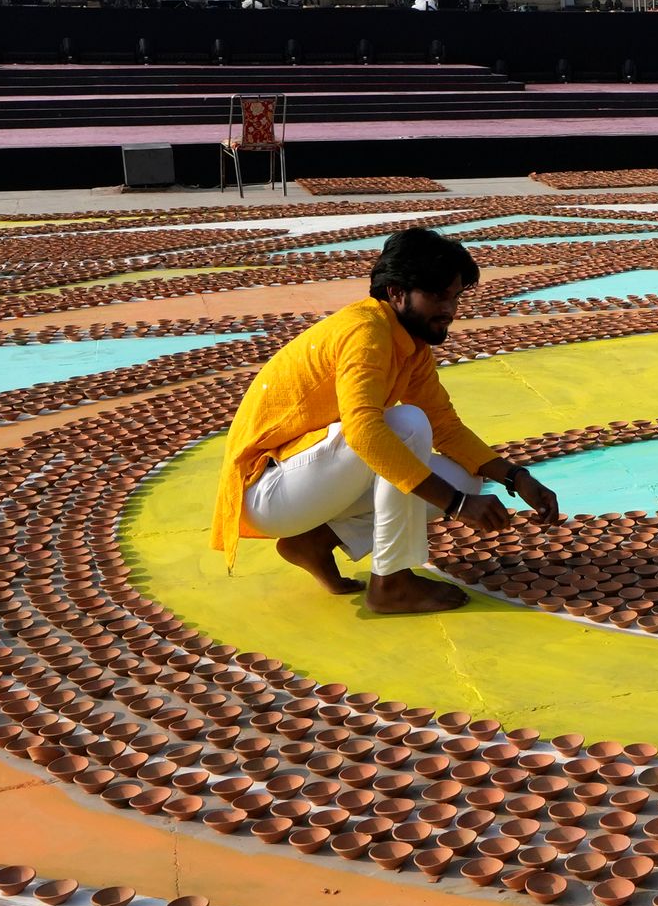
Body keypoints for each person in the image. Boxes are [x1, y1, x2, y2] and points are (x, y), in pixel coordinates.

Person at [210, 227, 564, 615]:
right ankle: (391, 582)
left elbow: (445, 426)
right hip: (267, 489)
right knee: (407, 425)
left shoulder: (411, 345)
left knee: (466, 476)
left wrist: (517, 477)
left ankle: (315, 542)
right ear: (396, 292)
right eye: (436, 295)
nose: (449, 309)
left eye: (454, 296)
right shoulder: (366, 332)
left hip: (305, 481)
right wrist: (457, 506)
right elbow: (363, 431)